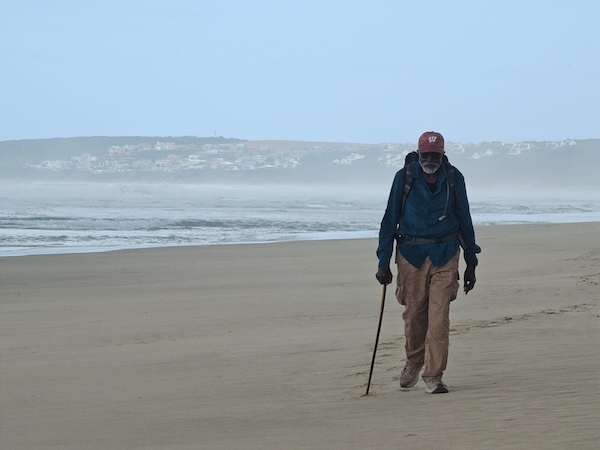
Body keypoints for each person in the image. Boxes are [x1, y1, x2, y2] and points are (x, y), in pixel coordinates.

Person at [375, 131, 480, 394]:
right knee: (414, 317)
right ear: (419, 153)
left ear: (443, 154)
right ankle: (414, 361)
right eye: (426, 155)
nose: (430, 159)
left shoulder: (455, 178)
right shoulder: (405, 178)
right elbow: (389, 220)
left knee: (439, 319)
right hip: (411, 257)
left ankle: (434, 376)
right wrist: (383, 261)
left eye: (435, 155)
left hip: (446, 254)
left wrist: (471, 262)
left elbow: (464, 219)